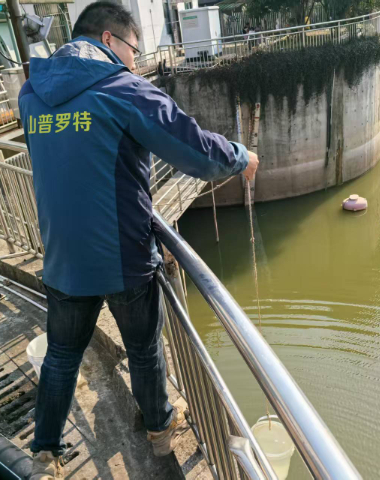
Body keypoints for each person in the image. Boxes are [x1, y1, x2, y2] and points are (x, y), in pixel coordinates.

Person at [18, 2, 259, 479]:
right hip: (122, 256)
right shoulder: (123, 90)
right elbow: (193, 149)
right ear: (109, 40)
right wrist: (239, 156)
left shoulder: (31, 94)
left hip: (64, 258)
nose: (136, 60)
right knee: (145, 350)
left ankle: (44, 450)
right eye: (133, 48)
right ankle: (159, 430)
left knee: (62, 354)